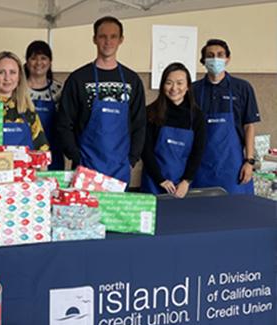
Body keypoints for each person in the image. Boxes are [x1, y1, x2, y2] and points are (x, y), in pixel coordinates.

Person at [57, 16, 146, 184]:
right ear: (94, 39)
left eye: (113, 36)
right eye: (102, 36)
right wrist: (76, 156)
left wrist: (132, 159)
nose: (108, 41)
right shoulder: (78, 79)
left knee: (116, 210)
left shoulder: (132, 80)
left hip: (120, 168)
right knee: (85, 210)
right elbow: (64, 123)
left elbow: (140, 124)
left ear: (121, 40)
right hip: (85, 167)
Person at [192, 39, 260, 195]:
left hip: (233, 166)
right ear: (203, 61)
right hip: (200, 166)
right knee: (200, 212)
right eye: (210, 55)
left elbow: (249, 125)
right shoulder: (193, 90)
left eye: (220, 55)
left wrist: (249, 162)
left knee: (236, 212)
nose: (215, 59)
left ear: (228, 59)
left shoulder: (242, 88)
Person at [141, 62, 206, 198]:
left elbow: (198, 151)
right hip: (154, 182)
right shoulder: (150, 113)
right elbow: (145, 150)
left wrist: (186, 181)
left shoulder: (196, 116)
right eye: (169, 83)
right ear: (162, 85)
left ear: (188, 86)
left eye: (180, 83)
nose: (174, 88)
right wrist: (160, 180)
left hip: (182, 186)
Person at [0, 51, 49, 151]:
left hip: (22, 166)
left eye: (12, 72)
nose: (7, 78)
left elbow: (42, 148)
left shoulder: (27, 108)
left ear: (19, 77)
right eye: (1, 72)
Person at [25, 40, 64, 168]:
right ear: (27, 61)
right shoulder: (18, 90)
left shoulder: (59, 90)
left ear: (50, 61)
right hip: (25, 154)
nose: (38, 63)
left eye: (43, 58)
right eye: (33, 58)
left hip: (53, 154)